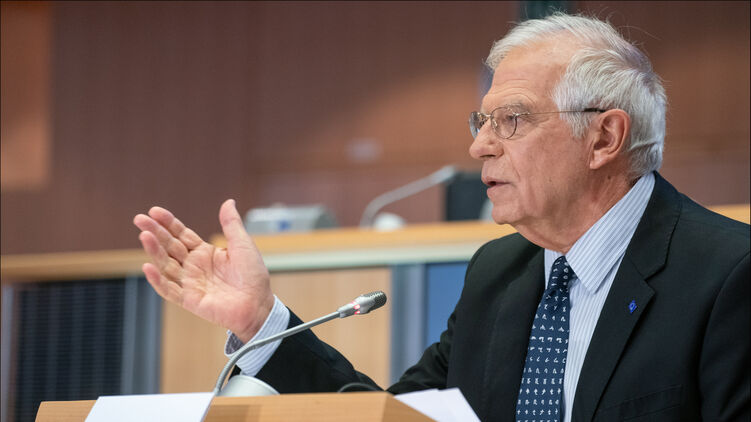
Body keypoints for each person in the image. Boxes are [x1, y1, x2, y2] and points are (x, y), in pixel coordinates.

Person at [133, 13, 749, 422]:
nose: (480, 146)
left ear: (604, 137)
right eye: (481, 122)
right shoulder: (498, 275)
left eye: (511, 120)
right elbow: (393, 418)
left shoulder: (729, 276)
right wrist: (260, 322)